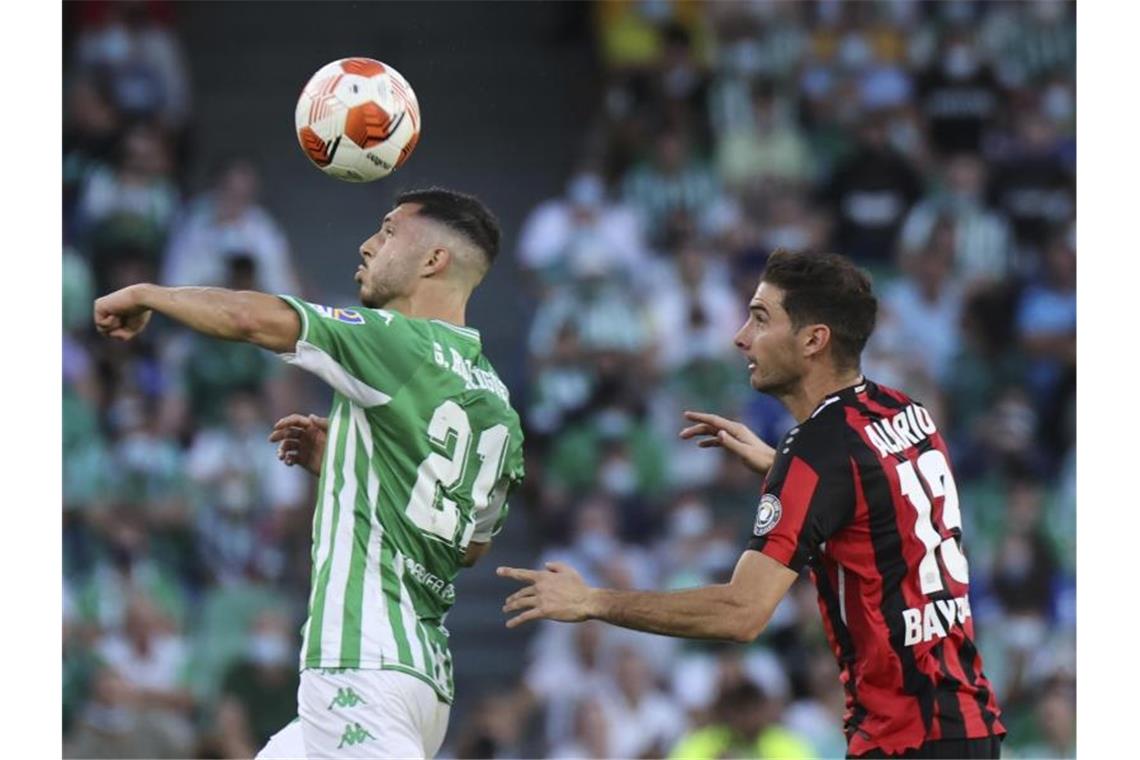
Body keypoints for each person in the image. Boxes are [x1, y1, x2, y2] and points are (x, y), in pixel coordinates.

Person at [498, 250, 1005, 758]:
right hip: (968, 724)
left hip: (907, 740)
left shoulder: (817, 455)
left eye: (761, 318)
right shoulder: (902, 409)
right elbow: (878, 503)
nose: (741, 337)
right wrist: (778, 467)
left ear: (813, 340)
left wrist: (593, 602)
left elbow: (741, 613)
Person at [94, 187, 526, 759]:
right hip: (421, 681)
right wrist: (348, 464)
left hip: (361, 663)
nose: (369, 244)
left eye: (391, 230)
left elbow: (252, 318)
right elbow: (465, 546)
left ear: (433, 260)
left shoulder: (395, 339)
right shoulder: (498, 405)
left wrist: (148, 292)